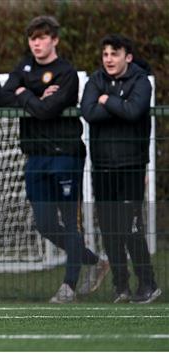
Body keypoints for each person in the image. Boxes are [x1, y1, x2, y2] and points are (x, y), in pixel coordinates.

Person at [0, 16, 109, 303]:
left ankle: (68, 287)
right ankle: (95, 261)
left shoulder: (66, 73)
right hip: (35, 156)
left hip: (65, 155)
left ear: (54, 40)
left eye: (42, 37)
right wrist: (32, 94)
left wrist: (24, 93)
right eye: (33, 38)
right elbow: (3, 95)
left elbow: (49, 110)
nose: (37, 43)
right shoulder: (23, 66)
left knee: (70, 223)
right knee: (45, 223)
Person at [81, 34, 161, 303]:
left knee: (130, 227)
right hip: (102, 165)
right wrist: (117, 104)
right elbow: (88, 112)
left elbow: (134, 111)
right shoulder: (95, 80)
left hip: (131, 165)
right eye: (105, 54)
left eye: (114, 54)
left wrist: (107, 101)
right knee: (109, 229)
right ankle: (121, 286)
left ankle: (148, 283)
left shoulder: (141, 80)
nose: (108, 59)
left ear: (128, 56)